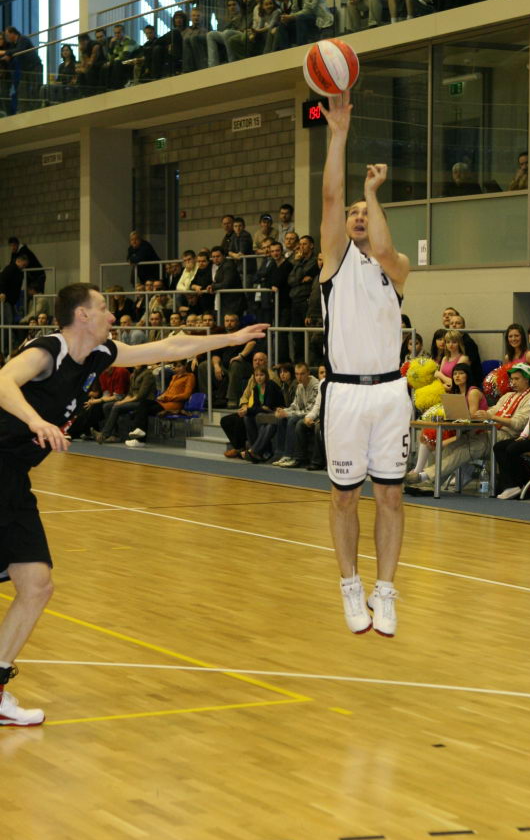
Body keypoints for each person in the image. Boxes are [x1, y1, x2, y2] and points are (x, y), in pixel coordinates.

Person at [0, 282, 266, 725]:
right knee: (32, 583)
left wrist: (231, 338)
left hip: (13, 479)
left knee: (37, 585)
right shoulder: (49, 351)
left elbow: (170, 346)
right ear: (82, 315)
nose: (111, 315)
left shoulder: (100, 354)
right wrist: (35, 420)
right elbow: (3, 381)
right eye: (103, 307)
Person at [319, 91, 411, 638]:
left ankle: (386, 590)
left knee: (391, 496)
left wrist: (373, 193)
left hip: (391, 393)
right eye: (353, 212)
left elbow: (384, 250)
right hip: (345, 393)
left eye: (365, 212)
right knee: (344, 496)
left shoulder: (395, 267)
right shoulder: (333, 262)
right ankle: (351, 585)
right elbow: (331, 197)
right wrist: (339, 134)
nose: (356, 215)